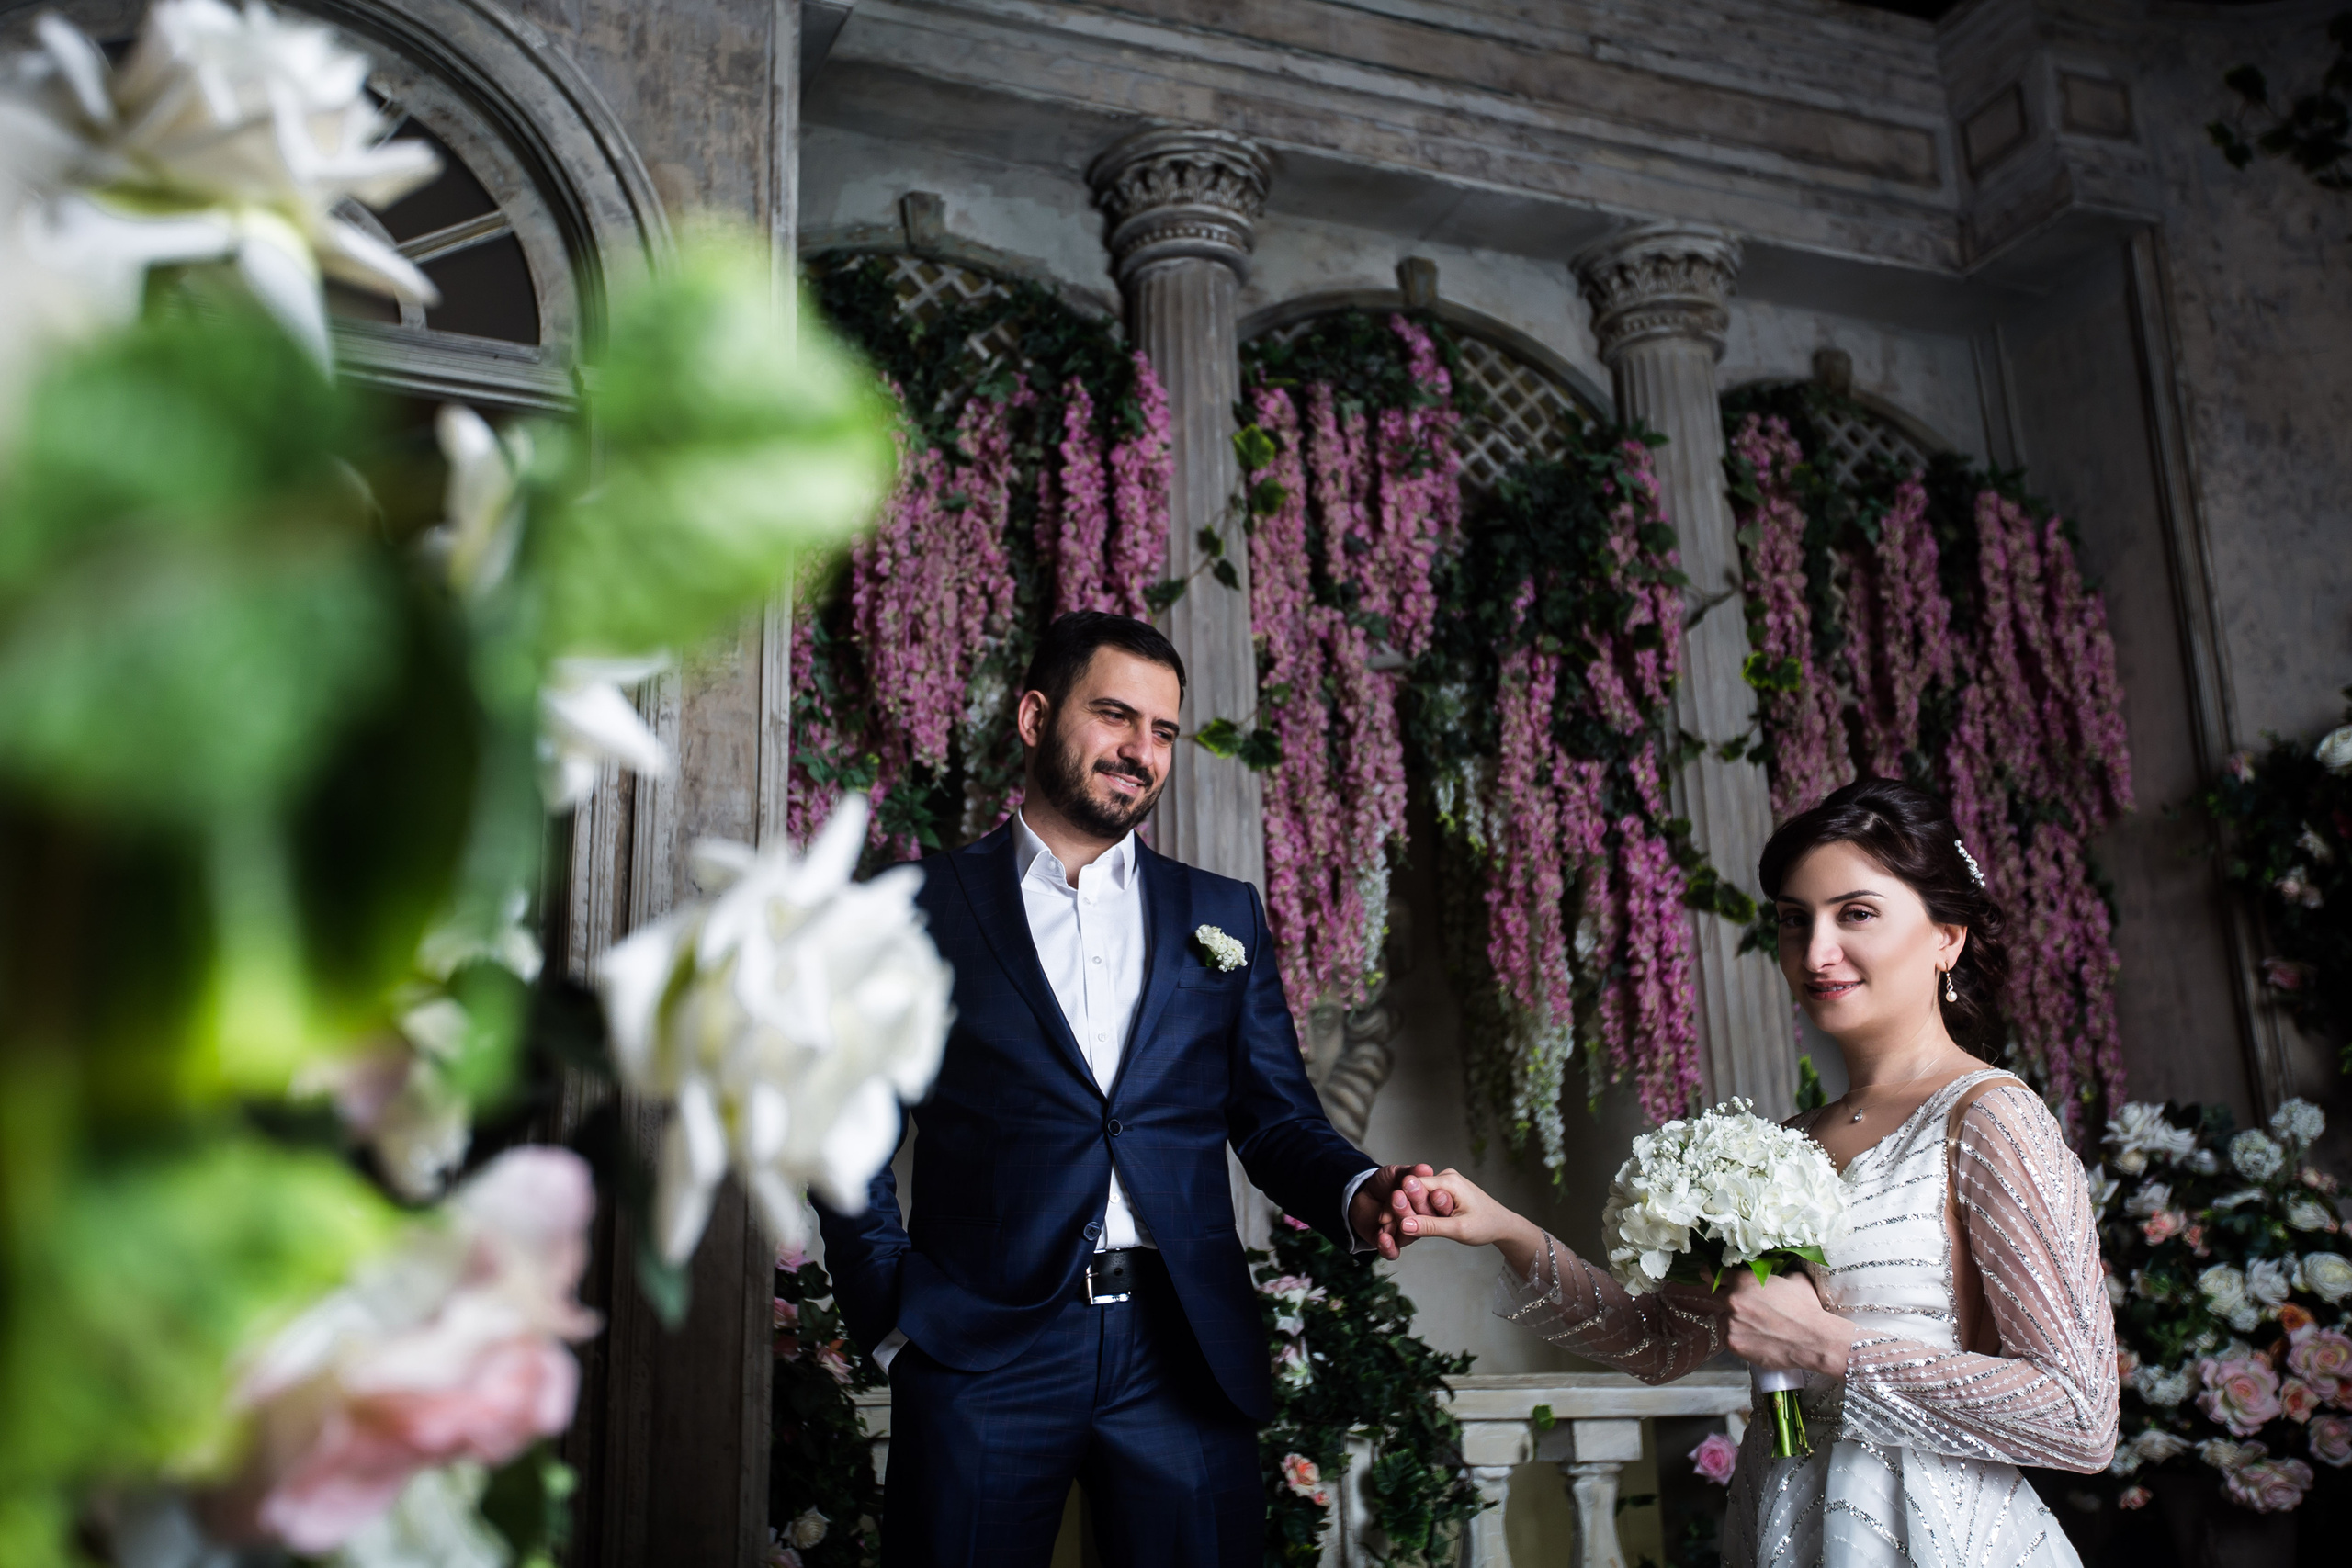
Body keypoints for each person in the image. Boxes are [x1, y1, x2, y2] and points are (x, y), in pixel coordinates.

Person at [817, 611, 1443, 1568]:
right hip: (983, 1349)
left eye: (1161, 731)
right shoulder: (914, 907)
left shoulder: (1221, 912)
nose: (1139, 751)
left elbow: (1274, 1119)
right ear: (1034, 716)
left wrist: (1360, 1194)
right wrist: (897, 1323)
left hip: (1179, 1347)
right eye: (1115, 716)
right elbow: (846, 1127)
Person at [1398, 777, 2119, 1567]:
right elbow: (1660, 1343)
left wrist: (1828, 1347)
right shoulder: (1783, 1145)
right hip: (1782, 1526)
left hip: (1938, 1538)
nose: (1815, 953)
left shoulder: (1988, 1118)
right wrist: (1504, 1228)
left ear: (1947, 934)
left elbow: (2080, 1417)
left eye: (1857, 913)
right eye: (1792, 920)